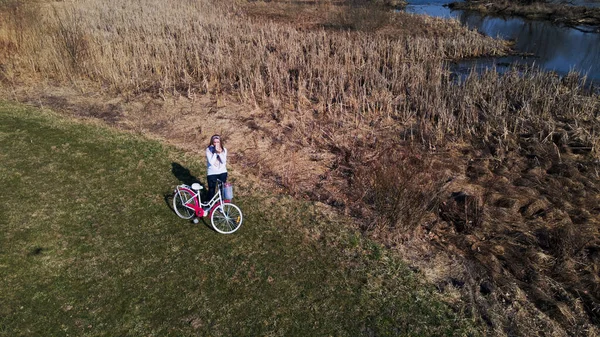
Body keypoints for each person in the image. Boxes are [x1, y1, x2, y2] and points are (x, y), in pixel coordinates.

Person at [205, 134, 227, 202]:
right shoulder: (208, 150)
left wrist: (220, 153)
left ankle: (221, 205)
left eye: (218, 142)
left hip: (222, 172)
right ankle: (209, 204)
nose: (216, 144)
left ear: (220, 142)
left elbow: (223, 161)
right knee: (211, 190)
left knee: (222, 189)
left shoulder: (224, 150)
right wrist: (215, 152)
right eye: (215, 142)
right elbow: (211, 162)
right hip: (212, 173)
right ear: (212, 142)